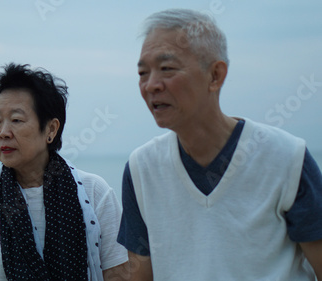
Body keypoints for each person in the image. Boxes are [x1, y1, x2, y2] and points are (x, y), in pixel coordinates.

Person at [117, 8, 322, 280]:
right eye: (143, 73)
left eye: (167, 69)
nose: (151, 85)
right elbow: (140, 274)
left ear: (215, 75)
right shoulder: (142, 168)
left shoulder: (286, 158)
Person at [0, 63, 128, 280]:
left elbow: (119, 275)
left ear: (50, 129)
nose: (3, 132)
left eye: (16, 120)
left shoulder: (94, 192)